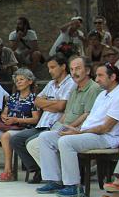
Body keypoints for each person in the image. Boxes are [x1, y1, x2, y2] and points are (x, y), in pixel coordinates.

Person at [35, 63, 119, 197]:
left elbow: (105, 127)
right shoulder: (103, 94)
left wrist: (79, 133)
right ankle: (55, 181)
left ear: (113, 77)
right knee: (45, 137)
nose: (96, 79)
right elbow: (92, 118)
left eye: (100, 75)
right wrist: (75, 128)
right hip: (88, 133)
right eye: (96, 76)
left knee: (67, 142)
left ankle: (74, 186)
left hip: (105, 137)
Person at [25, 57, 102, 177]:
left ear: (87, 71)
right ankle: (56, 178)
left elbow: (87, 114)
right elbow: (65, 113)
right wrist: (57, 128)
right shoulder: (75, 89)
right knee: (34, 143)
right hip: (66, 127)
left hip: (79, 130)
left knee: (44, 142)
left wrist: (68, 127)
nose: (74, 72)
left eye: (78, 69)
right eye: (72, 69)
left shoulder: (93, 88)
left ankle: (64, 177)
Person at [9, 55, 75, 183]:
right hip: (41, 125)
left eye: (52, 67)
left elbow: (62, 106)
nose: (50, 71)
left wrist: (48, 103)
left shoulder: (70, 83)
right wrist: (53, 104)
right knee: (16, 139)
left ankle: (52, 175)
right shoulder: (50, 84)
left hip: (55, 126)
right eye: (48, 68)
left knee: (30, 142)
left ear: (63, 67)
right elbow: (37, 101)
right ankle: (40, 170)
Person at [0, 69, 39, 181]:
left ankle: (8, 171)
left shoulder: (34, 98)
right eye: (17, 80)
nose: (19, 82)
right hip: (8, 125)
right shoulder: (13, 97)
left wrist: (17, 120)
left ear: (30, 81)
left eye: (22, 79)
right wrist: (4, 117)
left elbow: (35, 119)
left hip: (23, 127)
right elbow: (4, 112)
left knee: (5, 136)